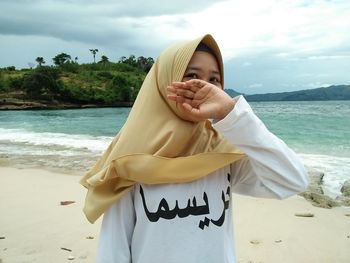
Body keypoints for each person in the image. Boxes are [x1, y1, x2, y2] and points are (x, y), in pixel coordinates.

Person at [80, 34, 308, 263]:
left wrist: (230, 113)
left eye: (214, 80)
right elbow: (114, 251)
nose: (204, 87)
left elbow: (292, 181)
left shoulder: (222, 151)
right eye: (191, 75)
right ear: (164, 82)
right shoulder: (130, 158)